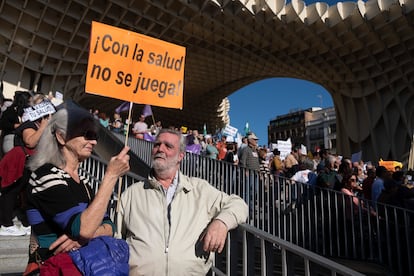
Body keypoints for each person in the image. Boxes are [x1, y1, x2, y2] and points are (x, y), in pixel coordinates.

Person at [116, 128, 248, 275]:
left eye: (168, 146)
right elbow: (116, 239)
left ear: (180, 156)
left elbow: (239, 204)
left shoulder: (199, 190)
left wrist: (222, 222)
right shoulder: (131, 194)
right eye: (157, 144)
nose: (160, 149)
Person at [24, 101, 130, 273]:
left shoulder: (84, 183)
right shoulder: (46, 176)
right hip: (51, 268)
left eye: (95, 135)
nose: (94, 142)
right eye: (87, 134)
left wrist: (82, 238)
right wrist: (111, 176)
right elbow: (84, 228)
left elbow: (109, 226)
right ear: (61, 136)